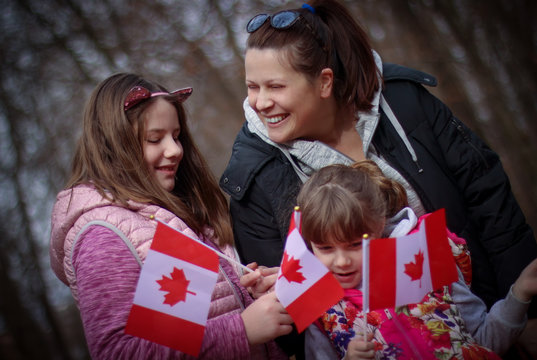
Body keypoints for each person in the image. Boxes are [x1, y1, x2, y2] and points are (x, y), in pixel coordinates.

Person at [219, 0, 537, 356]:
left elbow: (489, 199)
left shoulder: (403, 102)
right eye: (253, 86)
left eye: (275, 87)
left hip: (485, 325)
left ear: (324, 81)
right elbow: (295, 331)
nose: (260, 103)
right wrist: (279, 291)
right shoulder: (254, 174)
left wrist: (526, 312)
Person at [49, 73, 292, 359]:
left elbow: (185, 323)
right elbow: (119, 352)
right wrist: (243, 329)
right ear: (113, 147)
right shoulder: (103, 236)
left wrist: (249, 295)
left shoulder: (172, 216)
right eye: (155, 139)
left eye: (176, 136)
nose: (175, 150)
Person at [296, 161, 537, 359]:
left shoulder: (428, 263)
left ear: (380, 223)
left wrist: (520, 295)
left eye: (355, 244)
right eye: (325, 248)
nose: (341, 261)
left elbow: (484, 341)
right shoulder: (321, 310)